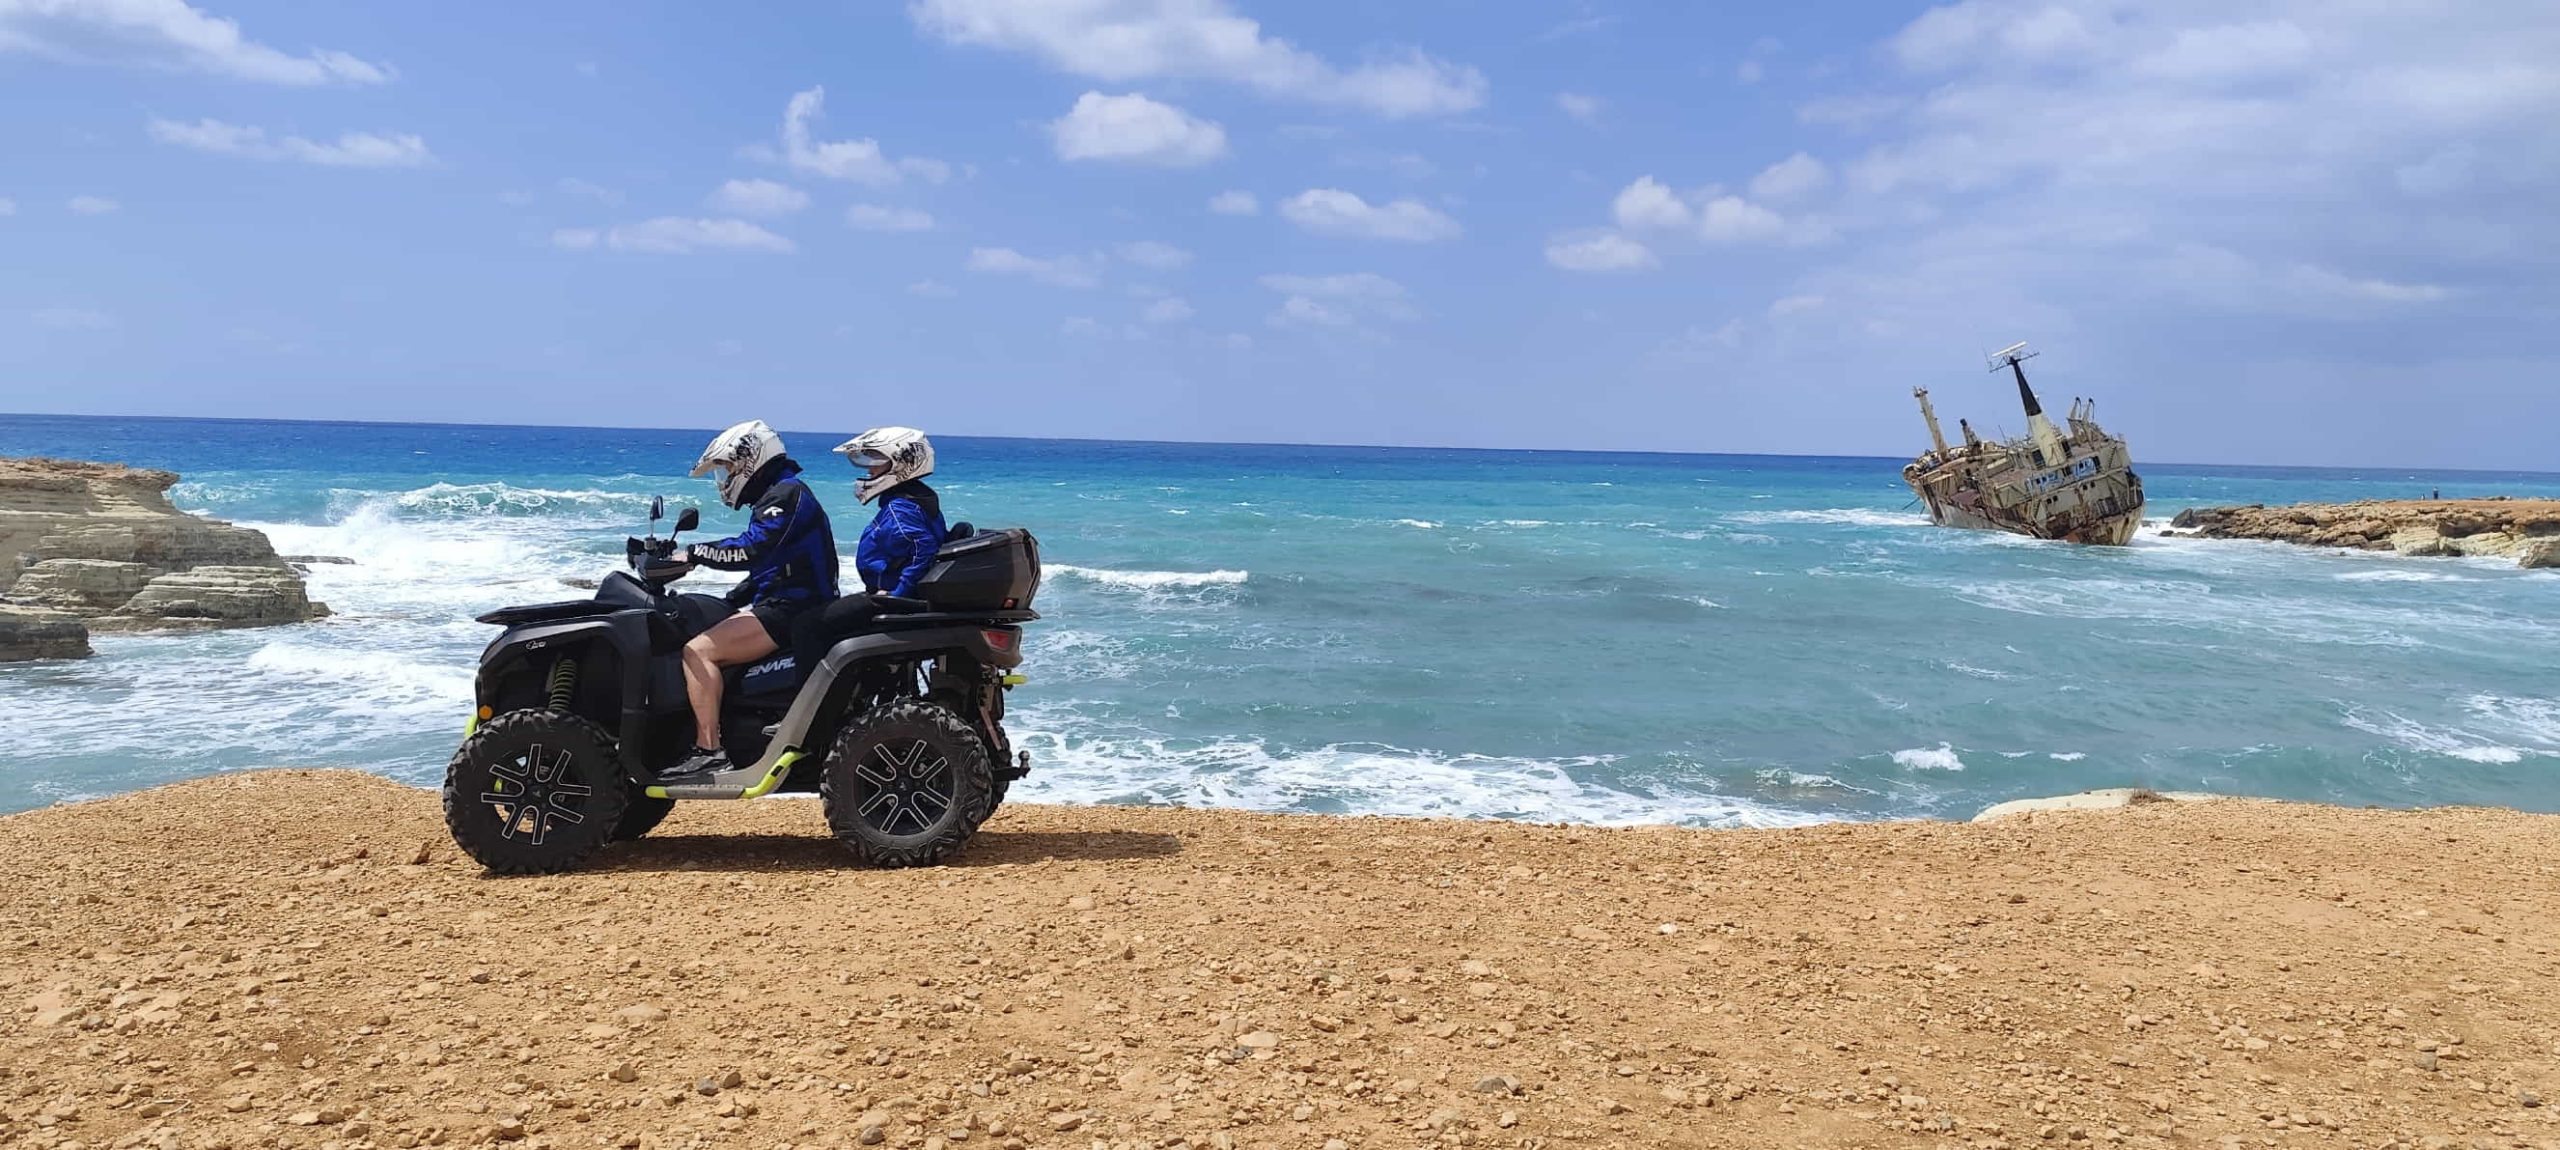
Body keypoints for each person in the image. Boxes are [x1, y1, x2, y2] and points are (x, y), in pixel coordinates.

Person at [664, 420, 838, 779]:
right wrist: (734, 597)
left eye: (726, 468)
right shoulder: (782, 493)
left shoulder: (785, 496)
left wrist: (695, 553)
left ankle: (708, 750)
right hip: (792, 602)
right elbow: (775, 565)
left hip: (792, 609)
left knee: (698, 651)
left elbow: (752, 550)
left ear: (749, 460)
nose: (724, 479)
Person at [789, 427, 949, 670]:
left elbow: (922, 547)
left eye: (877, 460)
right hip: (905, 595)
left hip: (894, 599)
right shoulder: (917, 497)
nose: (869, 468)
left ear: (902, 463)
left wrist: (898, 593)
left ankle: (814, 702)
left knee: (806, 625)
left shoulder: (900, 507)